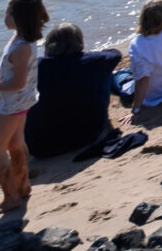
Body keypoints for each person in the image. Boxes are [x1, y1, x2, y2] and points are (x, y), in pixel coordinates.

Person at [0, 0, 47, 216]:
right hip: (19, 101)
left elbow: (17, 82)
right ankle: (23, 187)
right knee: (15, 144)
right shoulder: (18, 38)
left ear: (19, 18)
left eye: (8, 13)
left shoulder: (23, 47)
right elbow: (8, 70)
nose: (4, 17)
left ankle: (11, 197)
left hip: (13, 103)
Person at [22, 23, 122, 161]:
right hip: (88, 136)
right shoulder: (92, 61)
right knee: (105, 73)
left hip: (39, 148)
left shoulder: (35, 66)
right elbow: (115, 54)